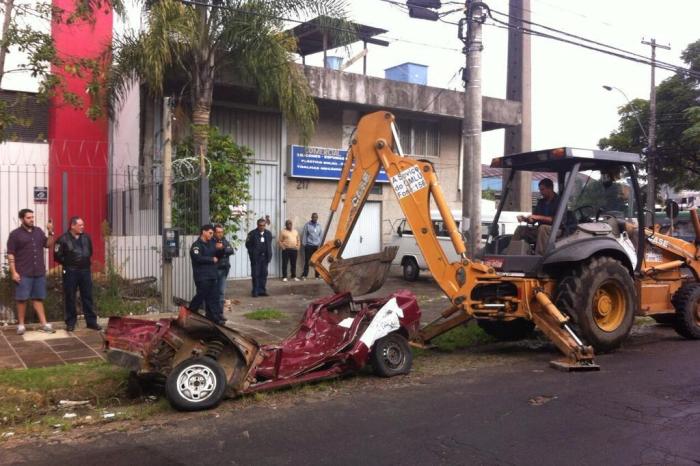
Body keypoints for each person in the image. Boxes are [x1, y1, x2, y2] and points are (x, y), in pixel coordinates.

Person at [6, 209, 56, 335]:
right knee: (22, 299)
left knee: (38, 298)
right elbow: (10, 254)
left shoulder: (38, 231)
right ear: (22, 219)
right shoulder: (15, 235)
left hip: (38, 271)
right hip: (23, 272)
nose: (32, 219)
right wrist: (13, 272)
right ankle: (21, 325)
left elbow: (49, 245)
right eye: (28, 217)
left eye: (32, 217)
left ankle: (44, 324)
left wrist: (50, 232)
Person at [54, 216, 100, 332]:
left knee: (87, 296)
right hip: (70, 271)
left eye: (83, 225)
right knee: (70, 296)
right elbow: (57, 256)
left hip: (85, 271)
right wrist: (68, 263)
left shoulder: (86, 238)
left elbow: (90, 251)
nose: (82, 227)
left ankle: (91, 322)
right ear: (72, 226)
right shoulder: (62, 239)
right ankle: (70, 322)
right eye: (80, 225)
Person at [512, 178, 560, 255]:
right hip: (541, 230)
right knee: (520, 229)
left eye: (542, 189)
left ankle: (539, 256)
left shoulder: (559, 201)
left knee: (543, 228)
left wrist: (537, 217)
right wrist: (525, 219)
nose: (541, 192)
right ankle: (512, 252)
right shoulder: (541, 202)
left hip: (557, 230)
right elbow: (533, 219)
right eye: (540, 190)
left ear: (550, 188)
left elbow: (556, 219)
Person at [188, 224, 223, 324]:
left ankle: (214, 318)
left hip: (212, 275)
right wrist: (211, 259)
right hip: (202, 276)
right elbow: (197, 258)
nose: (212, 235)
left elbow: (218, 256)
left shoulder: (213, 242)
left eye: (212, 233)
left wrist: (220, 249)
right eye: (210, 233)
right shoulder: (196, 245)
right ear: (203, 232)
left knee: (213, 297)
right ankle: (190, 313)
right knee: (201, 296)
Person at [245, 218, 272, 297]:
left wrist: (269, 255)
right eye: (260, 225)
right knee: (255, 274)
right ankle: (255, 291)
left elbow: (269, 245)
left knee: (264, 274)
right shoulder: (252, 233)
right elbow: (247, 245)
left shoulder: (268, 233)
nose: (262, 227)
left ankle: (262, 290)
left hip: (265, 257)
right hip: (256, 258)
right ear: (257, 225)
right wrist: (252, 253)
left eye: (263, 225)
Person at [213, 224, 234, 319]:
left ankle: (220, 313)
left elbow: (231, 250)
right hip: (214, 270)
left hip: (224, 269)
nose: (220, 234)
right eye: (218, 232)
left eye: (221, 232)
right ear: (214, 232)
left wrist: (223, 248)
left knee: (221, 292)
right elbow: (213, 252)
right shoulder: (211, 241)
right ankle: (213, 313)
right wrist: (221, 250)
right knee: (214, 292)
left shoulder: (224, 240)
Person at [301, 212, 323, 279]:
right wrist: (304, 244)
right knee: (307, 260)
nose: (315, 218)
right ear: (311, 217)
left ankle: (317, 275)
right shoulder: (307, 225)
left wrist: (320, 245)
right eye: (314, 217)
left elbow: (320, 236)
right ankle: (304, 275)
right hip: (309, 246)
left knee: (317, 261)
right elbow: (304, 234)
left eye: (316, 217)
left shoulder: (319, 225)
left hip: (317, 246)